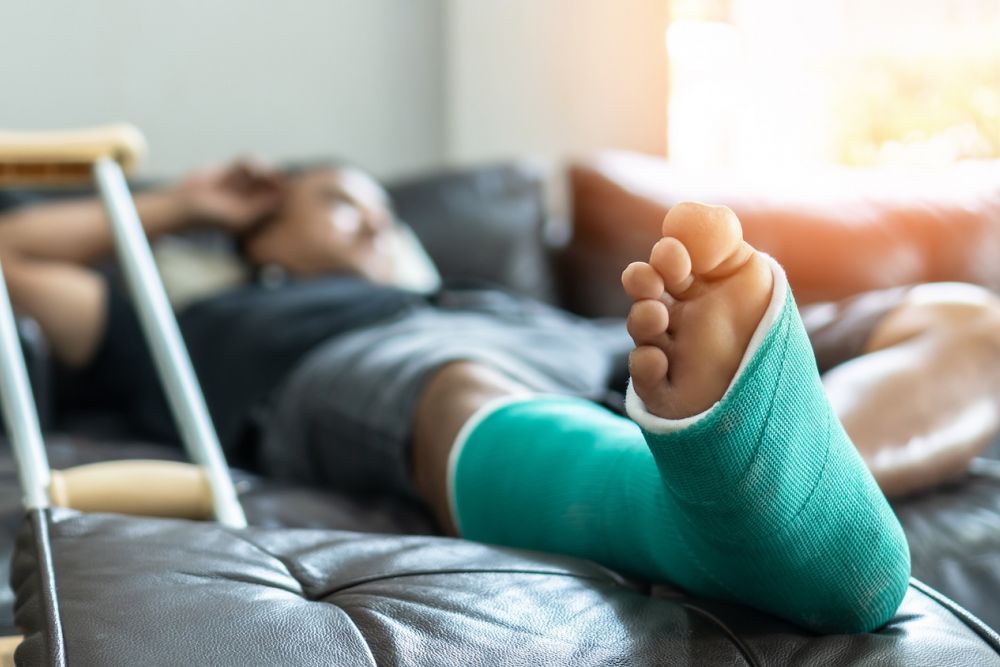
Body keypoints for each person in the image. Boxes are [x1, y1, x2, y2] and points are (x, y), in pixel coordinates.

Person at [0, 159, 991, 633]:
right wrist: (180, 208)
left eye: (384, 212)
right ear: (262, 243)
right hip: (378, 360)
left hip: (591, 353)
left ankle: (777, 468)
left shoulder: (491, 292)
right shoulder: (195, 313)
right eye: (339, 204)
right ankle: (719, 496)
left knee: (963, 317)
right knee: (455, 386)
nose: (374, 223)